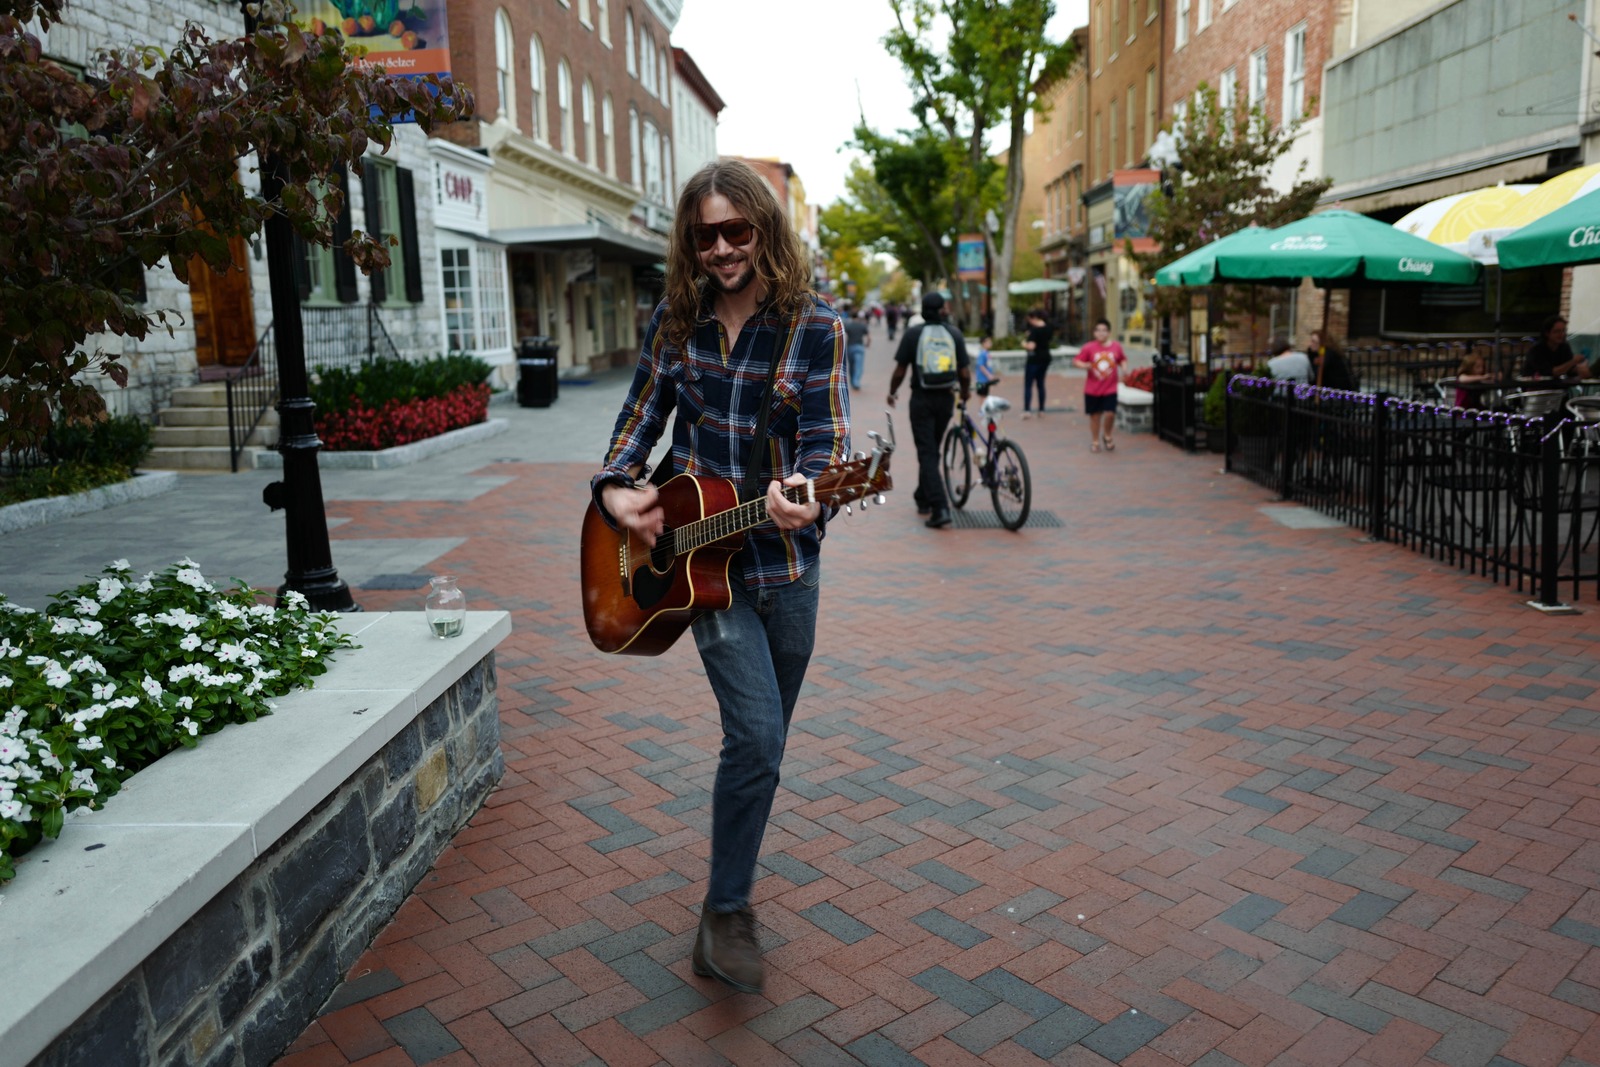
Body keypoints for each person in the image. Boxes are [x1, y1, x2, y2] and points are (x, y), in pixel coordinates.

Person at [590, 159, 849, 995]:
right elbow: (637, 420)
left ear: (765, 228)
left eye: (737, 230)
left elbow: (827, 446)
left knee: (761, 753)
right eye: (706, 234)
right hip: (704, 574)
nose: (723, 248)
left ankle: (724, 900)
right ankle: (727, 909)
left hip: (787, 566)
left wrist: (812, 496)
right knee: (758, 738)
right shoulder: (678, 318)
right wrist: (618, 490)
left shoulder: (816, 326)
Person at [888, 291, 972, 528]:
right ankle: (922, 497)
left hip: (921, 400)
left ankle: (940, 507)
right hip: (946, 399)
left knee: (927, 453)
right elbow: (965, 372)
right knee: (932, 450)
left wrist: (892, 391)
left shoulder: (914, 334)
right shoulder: (954, 334)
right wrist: (965, 393)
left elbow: (900, 370)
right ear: (943, 309)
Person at [1074, 318, 1126, 452]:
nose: (1101, 333)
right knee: (1095, 416)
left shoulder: (1116, 346)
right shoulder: (1089, 347)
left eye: (1104, 330)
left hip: (1110, 388)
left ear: (1109, 332)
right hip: (1092, 389)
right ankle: (1095, 441)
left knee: (1110, 413)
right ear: (1094, 333)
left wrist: (1124, 369)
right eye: (1098, 330)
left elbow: (1122, 359)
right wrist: (1085, 365)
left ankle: (1107, 435)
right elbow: (1076, 361)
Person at [1523, 315, 1592, 379]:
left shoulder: (1564, 347)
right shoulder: (1537, 350)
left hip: (1557, 387)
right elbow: (1550, 372)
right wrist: (1573, 361)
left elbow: (1570, 370)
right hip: (1536, 388)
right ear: (1547, 333)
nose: (1562, 334)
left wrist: (1583, 369)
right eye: (1557, 331)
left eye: (1563, 331)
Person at [1021, 308, 1054, 418]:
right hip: (1045, 358)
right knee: (1041, 384)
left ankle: (1027, 410)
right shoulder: (1048, 328)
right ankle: (1041, 409)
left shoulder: (1035, 330)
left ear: (1034, 318)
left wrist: (1024, 344)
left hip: (1034, 359)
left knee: (1028, 385)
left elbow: (1031, 346)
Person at [842, 308, 870, 391]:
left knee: (851, 366)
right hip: (860, 347)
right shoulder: (862, 325)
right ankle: (856, 382)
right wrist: (867, 344)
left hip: (850, 347)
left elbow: (844, 336)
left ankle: (852, 381)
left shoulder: (848, 325)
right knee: (859, 366)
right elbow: (869, 336)